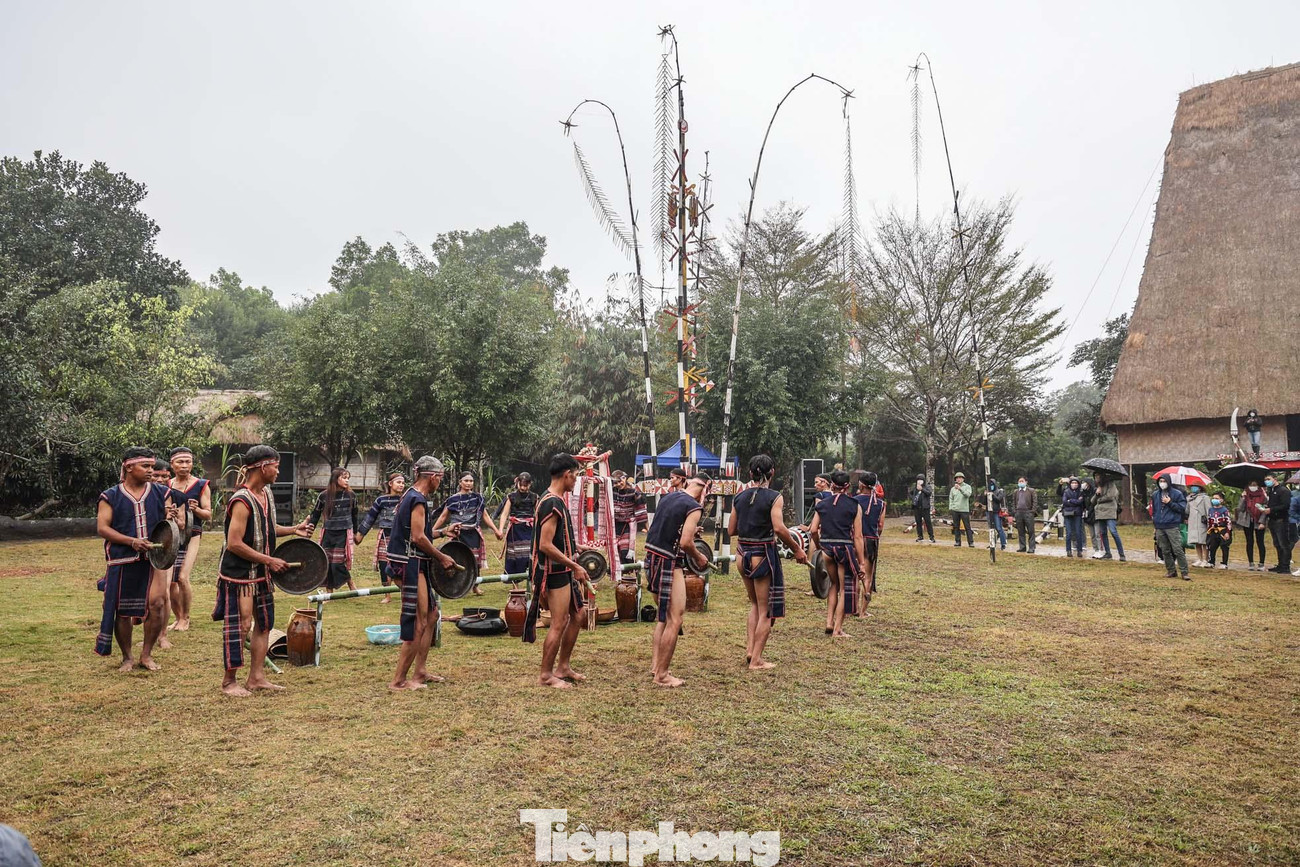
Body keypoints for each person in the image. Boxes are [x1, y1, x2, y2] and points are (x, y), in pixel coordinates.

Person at [214, 445, 309, 696]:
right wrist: (269, 560)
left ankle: (256, 677)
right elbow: (234, 543)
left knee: (264, 624)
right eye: (276, 466)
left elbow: (264, 528)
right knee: (241, 625)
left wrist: (293, 529)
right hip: (240, 574)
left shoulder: (266, 494)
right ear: (263, 467)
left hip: (262, 572)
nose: (278, 471)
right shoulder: (242, 501)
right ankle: (229, 682)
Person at [94, 447, 183, 671]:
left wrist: (170, 517)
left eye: (152, 466)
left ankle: (146, 655)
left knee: (158, 603)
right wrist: (131, 541)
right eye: (146, 466)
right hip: (122, 559)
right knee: (122, 610)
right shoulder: (110, 495)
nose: (151, 471)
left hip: (153, 558)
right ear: (129, 467)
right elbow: (103, 528)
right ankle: (127, 657)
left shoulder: (160, 492)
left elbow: (166, 523)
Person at [387, 456, 462, 690]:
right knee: (418, 621)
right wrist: (441, 557)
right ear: (433, 477)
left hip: (414, 562)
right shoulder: (417, 499)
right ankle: (399, 681)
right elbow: (418, 538)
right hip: (409, 564)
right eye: (440, 477)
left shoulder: (411, 496)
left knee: (431, 615)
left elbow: (420, 533)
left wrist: (442, 532)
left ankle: (419, 672)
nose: (440, 482)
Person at [727, 454, 806, 671]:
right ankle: (757, 661)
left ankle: (750, 650)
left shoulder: (739, 497)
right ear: (772, 472)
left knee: (754, 604)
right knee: (765, 611)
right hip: (761, 554)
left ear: (751, 473)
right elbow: (779, 528)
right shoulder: (775, 497)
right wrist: (798, 549)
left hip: (742, 554)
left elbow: (731, 530)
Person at [522, 454, 592, 689]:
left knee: (578, 615)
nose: (576, 481)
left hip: (563, 569)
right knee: (559, 621)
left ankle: (563, 666)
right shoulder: (552, 502)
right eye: (576, 476)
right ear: (567, 474)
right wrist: (575, 565)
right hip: (554, 572)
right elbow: (545, 544)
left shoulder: (555, 500)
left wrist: (574, 546)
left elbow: (555, 539)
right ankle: (545, 675)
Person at [643, 471, 711, 687]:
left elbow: (666, 528)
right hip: (668, 562)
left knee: (663, 617)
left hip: (651, 557)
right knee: (675, 618)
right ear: (705, 489)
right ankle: (662, 675)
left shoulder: (668, 497)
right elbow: (685, 543)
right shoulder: (694, 507)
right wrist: (699, 557)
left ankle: (656, 666)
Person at [808, 470, 867, 638]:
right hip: (844, 549)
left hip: (827, 549)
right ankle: (838, 629)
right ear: (847, 486)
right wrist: (861, 562)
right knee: (844, 588)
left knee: (833, 585)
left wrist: (820, 547)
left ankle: (828, 622)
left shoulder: (822, 504)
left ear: (831, 484)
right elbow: (858, 536)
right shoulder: (854, 505)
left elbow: (813, 530)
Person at [434, 471, 504, 595]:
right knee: (456, 559)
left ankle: (475, 586)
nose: (468, 483)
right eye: (466, 480)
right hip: (457, 533)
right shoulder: (452, 499)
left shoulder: (478, 498)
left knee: (475, 562)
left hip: (473, 533)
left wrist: (496, 530)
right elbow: (443, 517)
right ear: (460, 482)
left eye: (471, 481)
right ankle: (456, 587)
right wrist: (432, 531)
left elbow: (485, 516)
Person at [167, 446, 211, 631]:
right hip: (171, 533)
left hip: (193, 534)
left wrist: (196, 509)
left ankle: (186, 618)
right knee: (170, 582)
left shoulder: (201, 484)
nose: (185, 466)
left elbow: (208, 514)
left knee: (183, 577)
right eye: (180, 462)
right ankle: (177, 617)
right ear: (172, 464)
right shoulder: (166, 485)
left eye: (188, 462)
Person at [306, 467, 361, 592]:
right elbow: (315, 514)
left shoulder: (351, 496)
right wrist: (310, 529)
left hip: (343, 532)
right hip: (328, 532)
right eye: (344, 478)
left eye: (348, 478)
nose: (347, 481)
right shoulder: (324, 496)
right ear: (335, 479)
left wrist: (355, 532)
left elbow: (355, 515)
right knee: (326, 562)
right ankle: (328, 592)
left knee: (338, 562)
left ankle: (351, 584)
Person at [357, 471, 405, 604]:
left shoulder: (406, 499)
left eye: (403, 483)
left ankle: (405, 593)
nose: (401, 485)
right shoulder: (381, 500)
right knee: (384, 564)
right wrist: (360, 534)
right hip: (385, 535)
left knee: (401, 565)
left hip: (401, 536)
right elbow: (370, 517)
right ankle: (387, 595)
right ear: (390, 484)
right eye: (398, 482)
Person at [496, 472, 539, 575]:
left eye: (526, 485)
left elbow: (539, 515)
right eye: (521, 485)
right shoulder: (511, 497)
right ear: (517, 483)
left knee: (530, 554)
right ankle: (516, 584)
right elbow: (504, 514)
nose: (523, 488)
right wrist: (500, 530)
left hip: (529, 529)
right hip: (515, 530)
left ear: (530, 484)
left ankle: (531, 582)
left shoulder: (534, 497)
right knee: (514, 555)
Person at [854, 471, 886, 595]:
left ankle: (854, 608)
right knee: (868, 576)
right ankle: (863, 612)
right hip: (871, 540)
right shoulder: (881, 504)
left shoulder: (853, 501)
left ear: (861, 485)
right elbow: (880, 526)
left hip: (856, 539)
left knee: (856, 575)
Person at [1151, 475, 1189, 580]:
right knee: (1164, 550)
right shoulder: (1155, 495)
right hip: (1159, 525)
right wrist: (1155, 525)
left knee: (1177, 549)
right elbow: (1154, 510)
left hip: (1172, 525)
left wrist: (1170, 503)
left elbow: (1182, 508)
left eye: (1164, 481)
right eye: (1160, 481)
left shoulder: (1177, 494)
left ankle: (1184, 572)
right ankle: (1171, 570)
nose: (1162, 483)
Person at [609, 470, 647, 565]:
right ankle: (619, 574)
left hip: (627, 525)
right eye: (616, 482)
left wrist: (648, 530)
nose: (618, 484)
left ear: (625, 479)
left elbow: (641, 512)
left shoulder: (634, 493)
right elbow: (600, 504)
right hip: (614, 525)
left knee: (625, 552)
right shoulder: (611, 491)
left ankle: (630, 572)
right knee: (615, 551)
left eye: (620, 481)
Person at [1237, 479, 1269, 571]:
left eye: (1255, 485)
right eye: (1251, 485)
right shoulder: (1246, 495)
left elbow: (1265, 510)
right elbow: (1240, 508)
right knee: (1249, 541)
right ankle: (1251, 562)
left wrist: (1262, 522)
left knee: (1260, 542)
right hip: (1247, 521)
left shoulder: (1263, 496)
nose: (1253, 487)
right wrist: (1243, 497)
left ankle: (1261, 563)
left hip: (1258, 520)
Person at [1092, 473, 1125, 561]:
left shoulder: (1111, 484)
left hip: (1110, 511)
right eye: (1095, 476)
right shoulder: (1098, 486)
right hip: (1100, 512)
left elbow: (1110, 496)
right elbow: (1092, 501)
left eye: (1098, 476)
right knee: (1103, 533)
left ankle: (1121, 554)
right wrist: (1097, 493)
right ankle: (1108, 553)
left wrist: (1099, 499)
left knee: (1113, 531)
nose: (1096, 478)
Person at [1264, 474, 1292, 574]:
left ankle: (1285, 566)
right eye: (1265, 480)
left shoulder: (1283, 491)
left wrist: (1271, 509)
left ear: (1275, 479)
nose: (1267, 481)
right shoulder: (1271, 491)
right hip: (1272, 520)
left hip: (1281, 520)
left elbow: (1285, 505)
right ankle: (1280, 564)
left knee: (1283, 544)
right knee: (1277, 544)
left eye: (1268, 479)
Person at [1205, 494, 1232, 570]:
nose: (1214, 500)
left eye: (1216, 498)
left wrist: (1227, 532)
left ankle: (1224, 563)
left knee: (1224, 546)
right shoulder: (1211, 509)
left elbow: (1228, 521)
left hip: (1223, 530)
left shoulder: (1225, 510)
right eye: (1213, 498)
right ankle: (1211, 562)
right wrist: (1209, 530)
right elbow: (1209, 520)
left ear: (1221, 500)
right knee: (1212, 546)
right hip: (1213, 530)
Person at [1011, 477, 1038, 553]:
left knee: (1030, 531)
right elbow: (1013, 502)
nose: (1020, 482)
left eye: (1022, 481)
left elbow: (1035, 502)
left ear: (1026, 482)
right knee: (1020, 531)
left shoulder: (1031, 491)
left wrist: (1032, 511)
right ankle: (1022, 546)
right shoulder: (1016, 492)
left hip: (1028, 513)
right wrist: (1015, 511)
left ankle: (1031, 547)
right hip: (1019, 513)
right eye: (1019, 481)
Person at [1186, 484, 1210, 568]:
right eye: (1192, 486)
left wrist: (1208, 520)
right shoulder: (1189, 498)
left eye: (1195, 486)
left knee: (1204, 542)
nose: (1193, 488)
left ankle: (1205, 560)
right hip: (1193, 521)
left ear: (1200, 488)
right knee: (1196, 542)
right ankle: (1199, 559)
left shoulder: (1205, 498)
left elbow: (1208, 509)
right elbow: (1187, 510)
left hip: (1202, 521)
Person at [1060, 477, 1085, 558]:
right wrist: (1074, 501)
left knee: (1078, 532)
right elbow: (1064, 501)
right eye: (1072, 483)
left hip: (1077, 514)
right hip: (1068, 514)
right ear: (1070, 484)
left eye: (1076, 483)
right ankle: (1068, 550)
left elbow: (1080, 502)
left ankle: (1079, 550)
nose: (1074, 484)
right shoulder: (1066, 491)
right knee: (1069, 533)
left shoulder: (1081, 492)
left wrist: (1070, 500)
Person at [948, 472, 974, 547]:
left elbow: (968, 495)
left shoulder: (967, 487)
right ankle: (957, 541)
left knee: (967, 527)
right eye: (957, 478)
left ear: (963, 479)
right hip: (955, 510)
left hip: (964, 510)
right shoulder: (953, 489)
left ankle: (971, 542)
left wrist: (960, 489)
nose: (958, 479)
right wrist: (951, 508)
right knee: (956, 526)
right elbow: (951, 498)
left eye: (960, 478)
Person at [910, 475, 935, 542]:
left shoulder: (927, 486)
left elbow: (929, 493)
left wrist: (922, 489)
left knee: (928, 522)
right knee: (918, 522)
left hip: (925, 508)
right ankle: (920, 536)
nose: (919, 481)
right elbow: (910, 493)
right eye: (918, 480)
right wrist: (913, 499)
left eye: (921, 480)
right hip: (917, 507)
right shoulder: (915, 487)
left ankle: (931, 537)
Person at [1080, 477, 1100, 557]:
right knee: (1092, 535)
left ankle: (1100, 550)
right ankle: (1096, 549)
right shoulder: (1083, 493)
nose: (1083, 485)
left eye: (1085, 483)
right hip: (1088, 515)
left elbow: (1096, 501)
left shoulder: (1095, 491)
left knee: (1097, 533)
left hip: (1095, 514)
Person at [985, 477, 1007, 551]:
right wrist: (985, 495)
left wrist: (992, 495)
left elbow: (998, 499)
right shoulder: (987, 491)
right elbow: (983, 502)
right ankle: (992, 542)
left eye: (992, 484)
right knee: (991, 528)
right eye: (989, 484)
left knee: (999, 528)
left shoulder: (999, 491)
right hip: (989, 512)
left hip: (996, 512)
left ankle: (1003, 543)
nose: (991, 485)